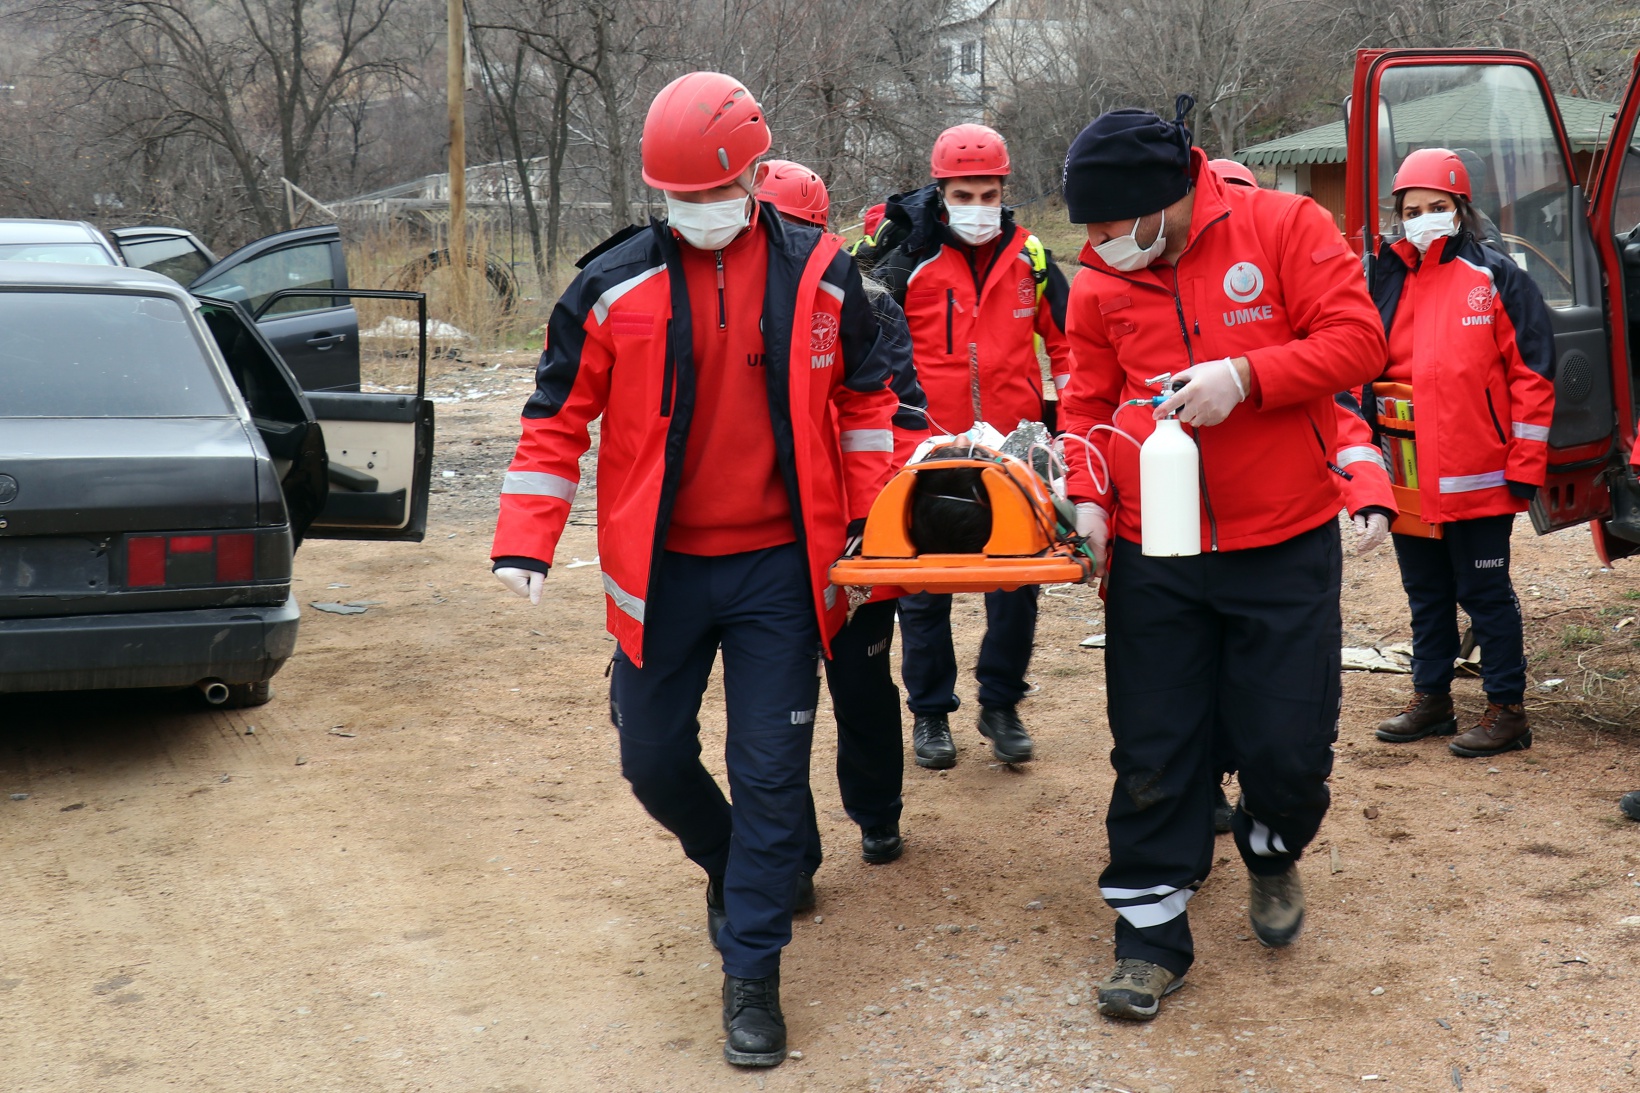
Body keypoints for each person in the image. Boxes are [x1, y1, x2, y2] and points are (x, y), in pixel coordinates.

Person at [489, 72, 902, 1068]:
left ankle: (751, 971)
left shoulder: (821, 273)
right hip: (661, 575)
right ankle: (729, 861)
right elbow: (556, 419)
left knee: (771, 773)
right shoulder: (610, 286)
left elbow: (865, 400)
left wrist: (866, 523)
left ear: (755, 177)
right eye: (681, 197)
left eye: (717, 192)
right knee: (652, 760)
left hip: (780, 573)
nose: (700, 211)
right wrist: (524, 536)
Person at [1058, 96, 1387, 1020]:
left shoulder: (1285, 225)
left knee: (1288, 747)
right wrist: (1089, 500)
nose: (1098, 244)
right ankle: (1149, 935)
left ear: (1161, 198)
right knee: (1153, 745)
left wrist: (1245, 376)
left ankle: (1272, 846)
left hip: (1282, 539)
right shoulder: (1099, 278)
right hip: (1155, 549)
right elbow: (1083, 401)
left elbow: (1359, 340)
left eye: (1110, 226)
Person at [864, 123, 1073, 771]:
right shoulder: (908, 260)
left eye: (989, 195)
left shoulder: (1032, 258)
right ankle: (930, 712)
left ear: (1004, 191)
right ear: (941, 192)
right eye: (963, 195)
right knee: (923, 587)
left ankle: (1001, 703)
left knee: (1017, 583)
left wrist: (1068, 423)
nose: (977, 208)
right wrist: (895, 440)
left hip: (1011, 452)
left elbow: (1068, 344)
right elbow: (874, 354)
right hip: (929, 452)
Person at [1200, 157, 1397, 836]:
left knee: (1274, 690)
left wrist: (1370, 496)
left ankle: (1264, 805)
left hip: (1281, 539)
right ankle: (1206, 782)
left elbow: (1342, 426)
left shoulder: (1299, 342)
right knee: (1197, 681)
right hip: (1189, 539)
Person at [754, 158, 932, 865]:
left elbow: (904, 417)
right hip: (773, 537)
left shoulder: (871, 305)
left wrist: (874, 522)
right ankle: (790, 854)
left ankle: (877, 815)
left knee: (862, 685)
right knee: (778, 707)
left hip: (856, 526)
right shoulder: (724, 307)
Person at [1366, 148, 1555, 758]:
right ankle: (1432, 700)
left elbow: (1533, 376)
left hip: (1481, 476)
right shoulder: (1384, 276)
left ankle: (1507, 711)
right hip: (1409, 475)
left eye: (1436, 206)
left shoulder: (1497, 277)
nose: (1422, 219)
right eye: (1410, 210)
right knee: (1425, 594)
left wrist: (1524, 467)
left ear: (1460, 209)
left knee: (1485, 594)